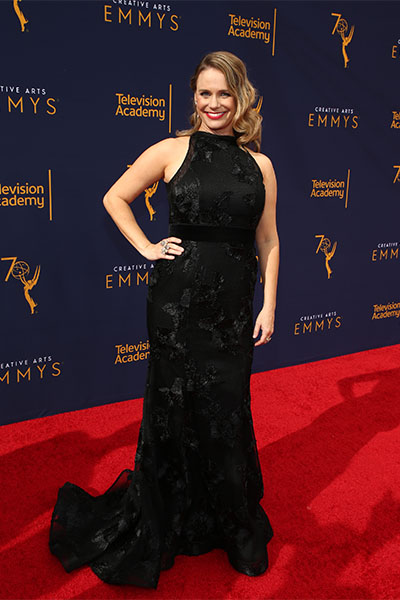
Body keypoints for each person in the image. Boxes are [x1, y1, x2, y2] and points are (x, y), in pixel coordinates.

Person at [49, 50, 279, 589]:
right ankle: (166, 519)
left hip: (234, 310)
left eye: (224, 93)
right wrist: (147, 247)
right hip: (177, 305)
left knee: (227, 411)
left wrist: (269, 304)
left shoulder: (260, 165)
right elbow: (116, 197)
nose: (214, 103)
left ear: (240, 98)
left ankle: (232, 524)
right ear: (192, 97)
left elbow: (267, 240)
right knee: (172, 408)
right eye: (205, 93)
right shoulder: (171, 150)